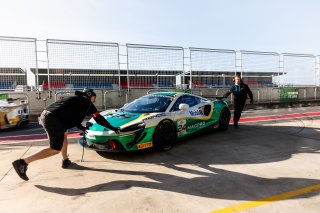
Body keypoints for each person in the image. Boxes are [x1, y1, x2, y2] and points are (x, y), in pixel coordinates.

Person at [12, 88, 120, 181]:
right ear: (90, 96)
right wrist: (113, 128)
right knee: (55, 149)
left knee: (64, 134)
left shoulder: (77, 100)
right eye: (94, 98)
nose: (94, 101)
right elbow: (99, 119)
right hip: (53, 119)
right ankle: (22, 162)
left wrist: (80, 126)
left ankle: (65, 161)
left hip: (48, 115)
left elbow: (71, 114)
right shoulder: (87, 103)